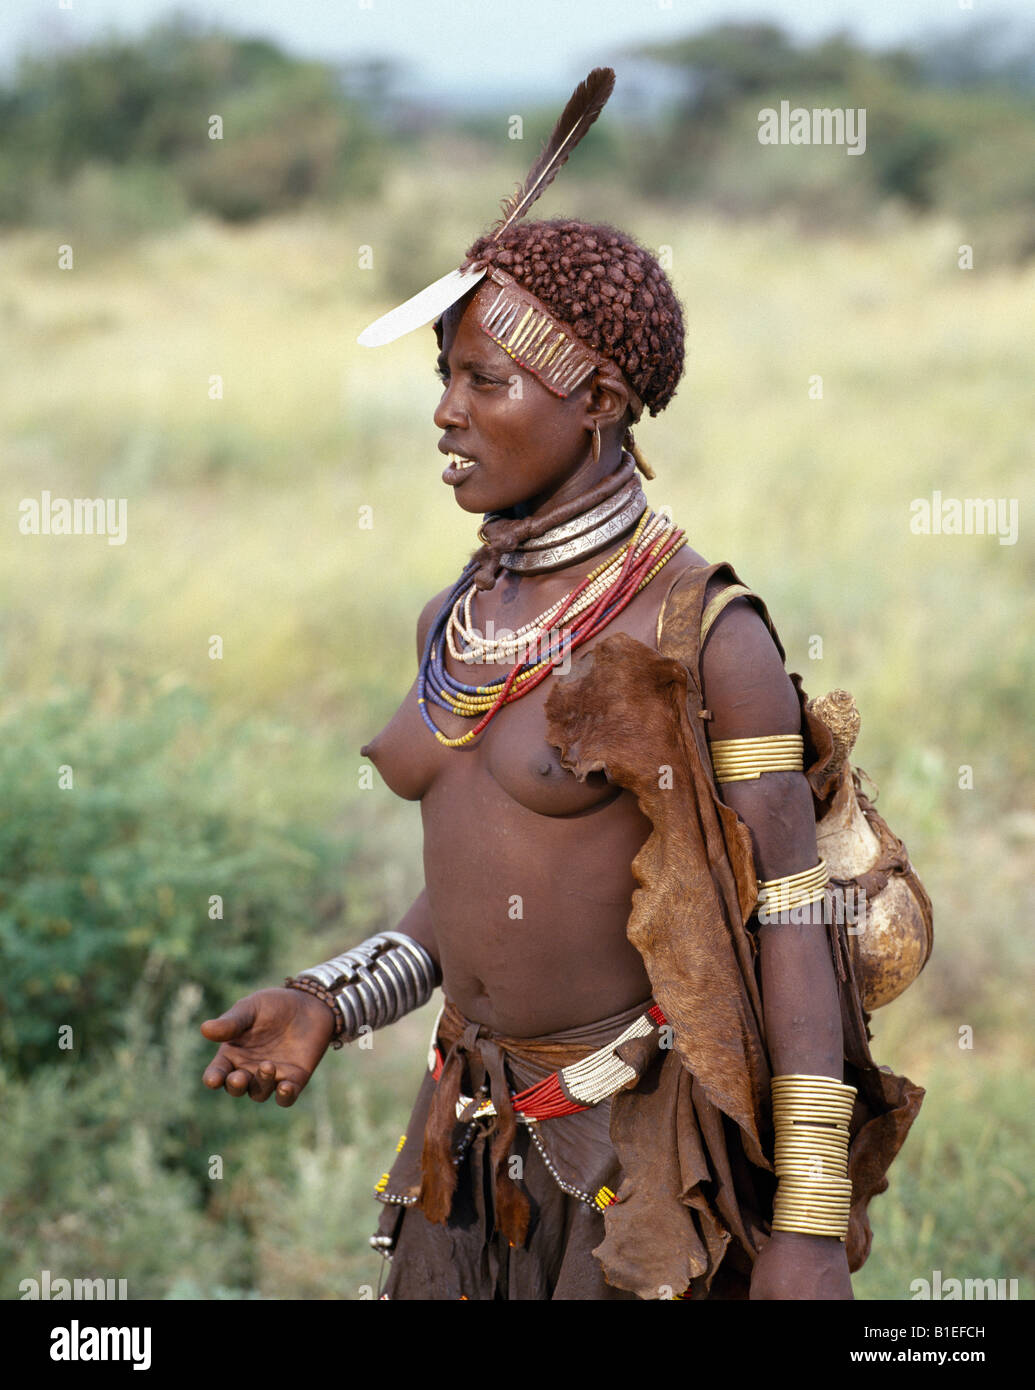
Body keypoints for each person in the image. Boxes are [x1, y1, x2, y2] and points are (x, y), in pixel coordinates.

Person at [200, 70, 921, 1301]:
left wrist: (805, 1225)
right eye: (444, 373)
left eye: (486, 380)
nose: (445, 411)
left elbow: (790, 928)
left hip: (636, 1163)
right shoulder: (460, 614)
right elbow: (489, 884)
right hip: (465, 1141)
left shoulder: (703, 633)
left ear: (596, 401)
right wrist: (334, 997)